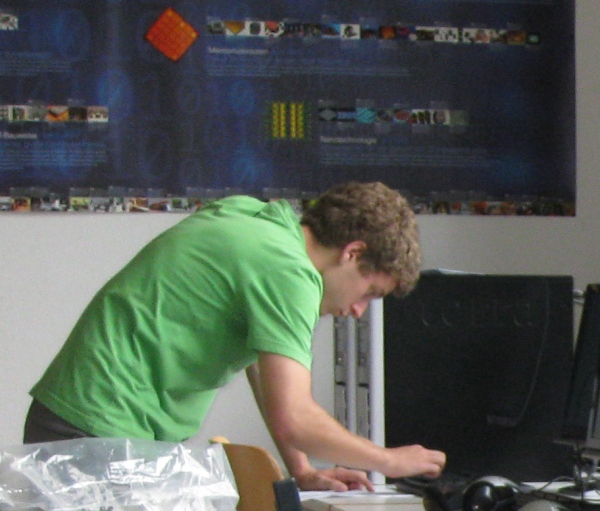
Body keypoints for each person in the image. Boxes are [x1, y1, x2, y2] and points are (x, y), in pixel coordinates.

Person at [23, 181, 446, 489]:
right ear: (352, 254)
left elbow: (262, 370)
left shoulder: (256, 217)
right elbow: (294, 416)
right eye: (369, 292)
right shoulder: (290, 274)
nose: (357, 311)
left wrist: (301, 468)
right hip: (99, 437)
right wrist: (388, 461)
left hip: (72, 420)